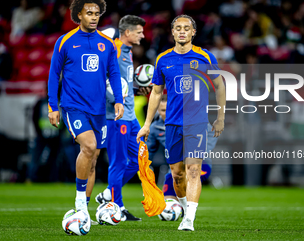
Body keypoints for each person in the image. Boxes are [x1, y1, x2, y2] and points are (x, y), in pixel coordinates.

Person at [137, 14, 226, 231]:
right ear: (173, 32)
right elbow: (156, 93)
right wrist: (147, 123)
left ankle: (189, 220)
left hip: (197, 123)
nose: (182, 31)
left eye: (187, 28)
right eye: (178, 28)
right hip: (173, 124)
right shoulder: (162, 60)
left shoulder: (205, 57)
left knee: (193, 170)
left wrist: (220, 118)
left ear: (193, 32)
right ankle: (185, 209)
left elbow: (220, 85)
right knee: (177, 174)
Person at [47, 0, 124, 222]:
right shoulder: (65, 41)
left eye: (97, 14)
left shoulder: (107, 44)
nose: (94, 17)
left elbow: (115, 73)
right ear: (78, 14)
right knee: (88, 147)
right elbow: (54, 75)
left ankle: (84, 211)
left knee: (93, 159)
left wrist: (119, 99)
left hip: (99, 109)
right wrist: (53, 106)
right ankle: (79, 205)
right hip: (73, 106)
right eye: (89, 13)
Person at [95, 15, 147, 221]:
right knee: (118, 162)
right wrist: (115, 99)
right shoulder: (113, 50)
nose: (143, 35)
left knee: (138, 160)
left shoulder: (127, 52)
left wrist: (135, 88)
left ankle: (109, 193)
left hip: (131, 117)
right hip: (117, 117)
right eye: (139, 32)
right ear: (127, 33)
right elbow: (101, 81)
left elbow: (121, 82)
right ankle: (117, 206)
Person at [146, 95, 214, 204]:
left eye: (169, 109)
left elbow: (211, 132)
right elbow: (148, 151)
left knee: (188, 178)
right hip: (175, 168)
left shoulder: (190, 120)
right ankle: (178, 210)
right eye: (163, 110)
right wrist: (144, 171)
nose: (167, 113)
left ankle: (189, 213)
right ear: (158, 111)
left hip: (200, 164)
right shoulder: (155, 127)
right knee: (168, 203)